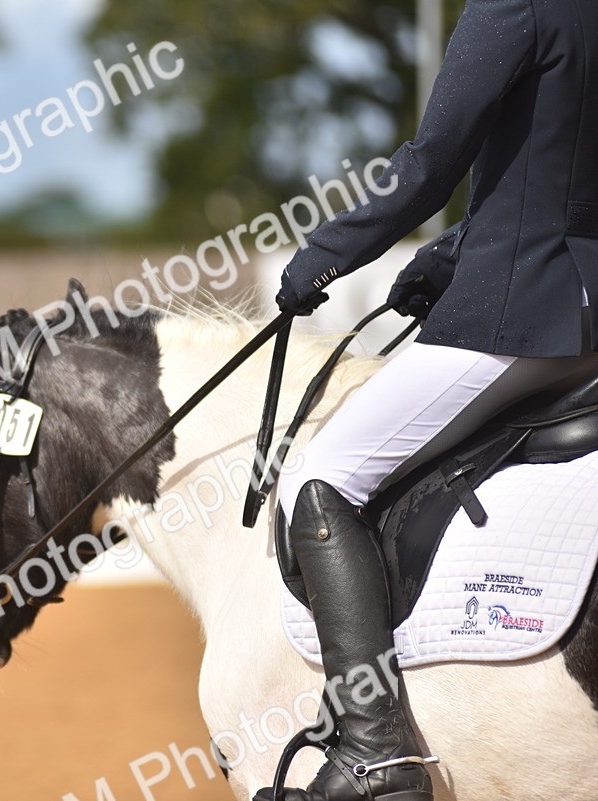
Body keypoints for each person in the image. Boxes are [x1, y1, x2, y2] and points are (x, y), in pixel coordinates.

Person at [262, 0, 598, 799]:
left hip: (517, 318)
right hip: (582, 319)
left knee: (325, 478)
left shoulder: (512, 7)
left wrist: (323, 257)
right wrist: (450, 254)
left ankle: (374, 745)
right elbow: (547, 169)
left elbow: (428, 164)